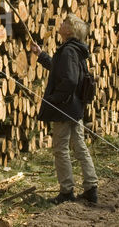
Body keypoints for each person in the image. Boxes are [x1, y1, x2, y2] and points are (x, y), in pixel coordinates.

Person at [31, 13, 98, 205]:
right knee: (79, 145)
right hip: (74, 106)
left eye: (64, 23)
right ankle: (91, 187)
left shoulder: (68, 51)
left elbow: (69, 79)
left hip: (65, 107)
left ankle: (67, 191)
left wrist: (55, 99)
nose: (60, 24)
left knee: (61, 148)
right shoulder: (74, 50)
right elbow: (60, 69)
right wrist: (41, 55)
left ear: (70, 29)